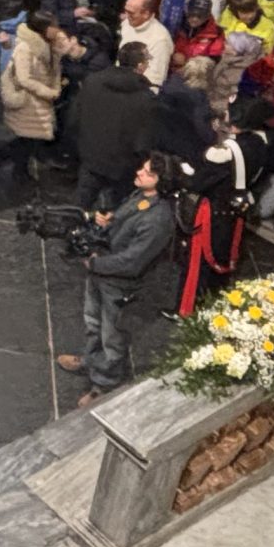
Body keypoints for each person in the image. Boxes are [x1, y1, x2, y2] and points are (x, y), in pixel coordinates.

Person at [59, 154, 175, 407]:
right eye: (143, 168)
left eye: (148, 173)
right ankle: (91, 360)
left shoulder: (158, 219)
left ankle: (105, 382)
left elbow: (134, 260)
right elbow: (123, 220)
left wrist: (95, 264)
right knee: (93, 321)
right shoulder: (140, 196)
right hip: (103, 270)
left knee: (112, 334)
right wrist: (108, 221)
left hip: (119, 281)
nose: (139, 172)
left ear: (162, 182)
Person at [75, 40, 160, 212]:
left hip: (91, 157)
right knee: (116, 212)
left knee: (80, 207)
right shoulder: (145, 98)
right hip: (123, 167)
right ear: (141, 66)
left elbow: (75, 117)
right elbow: (144, 138)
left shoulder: (92, 82)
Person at [0, 9, 66, 184]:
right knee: (26, 139)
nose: (57, 29)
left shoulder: (48, 44)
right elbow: (24, 78)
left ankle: (16, 168)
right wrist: (49, 92)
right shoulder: (25, 48)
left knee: (30, 139)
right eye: (53, 26)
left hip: (39, 101)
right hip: (28, 101)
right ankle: (7, 165)